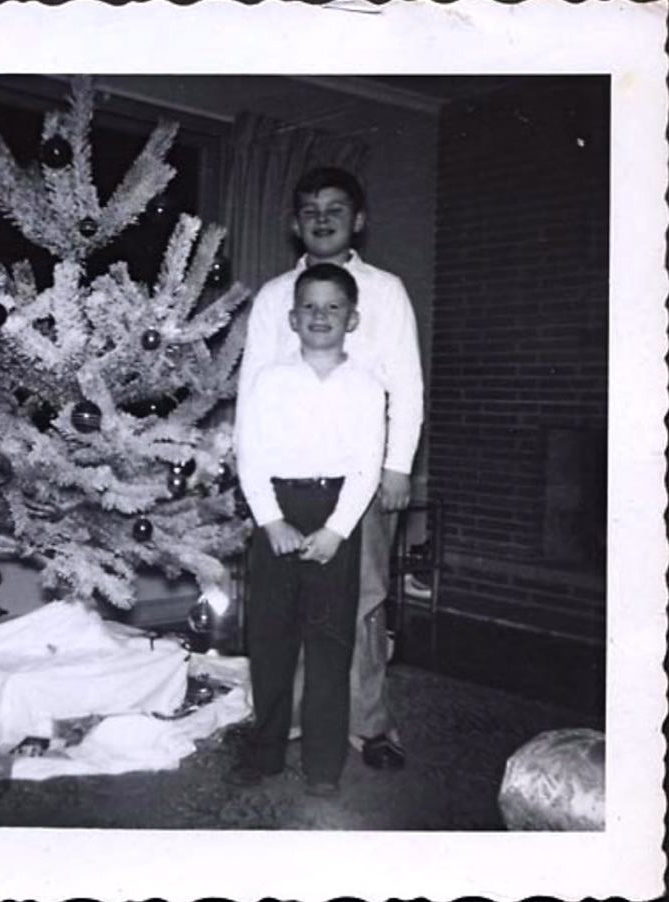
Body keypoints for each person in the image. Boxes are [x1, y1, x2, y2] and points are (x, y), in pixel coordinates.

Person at [237, 166, 424, 770]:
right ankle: (288, 720)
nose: (322, 219)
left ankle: (368, 725)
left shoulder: (386, 291)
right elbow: (252, 391)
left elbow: (406, 384)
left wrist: (398, 468)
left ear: (358, 221)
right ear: (295, 224)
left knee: (361, 601)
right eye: (310, 210)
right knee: (287, 605)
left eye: (335, 209)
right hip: (289, 479)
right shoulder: (275, 297)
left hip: (361, 479)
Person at [227, 263, 386, 796]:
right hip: (277, 510)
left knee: (330, 645)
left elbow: (367, 467)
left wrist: (337, 530)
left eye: (333, 306)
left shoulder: (367, 387)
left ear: (352, 319)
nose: (321, 315)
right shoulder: (270, 381)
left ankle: (323, 765)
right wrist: (271, 519)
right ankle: (265, 752)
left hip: (337, 515)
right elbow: (250, 452)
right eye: (310, 307)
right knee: (270, 640)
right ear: (293, 319)